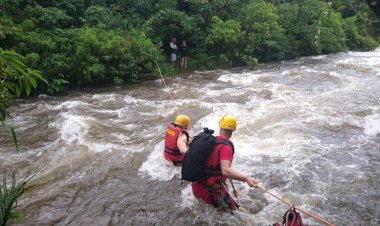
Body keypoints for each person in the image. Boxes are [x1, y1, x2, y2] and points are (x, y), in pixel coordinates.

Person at [192, 114, 258, 212]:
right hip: (211, 190)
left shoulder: (210, 141)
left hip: (197, 185)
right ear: (233, 129)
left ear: (221, 126)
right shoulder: (226, 147)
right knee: (234, 213)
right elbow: (225, 170)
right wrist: (246, 178)